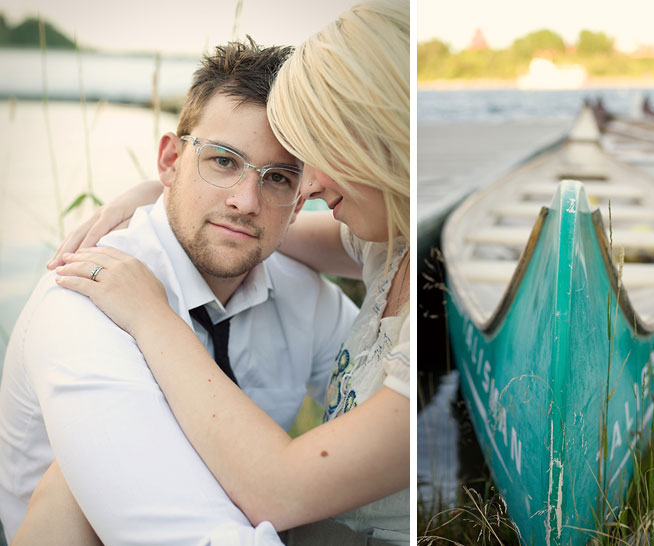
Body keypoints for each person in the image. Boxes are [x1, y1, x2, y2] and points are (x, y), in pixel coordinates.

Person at [18, 0, 411, 544]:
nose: (246, 201)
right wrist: (163, 194)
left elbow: (285, 486)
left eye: (279, 177)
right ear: (170, 160)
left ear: (298, 198)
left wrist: (157, 303)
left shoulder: (320, 284)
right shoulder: (89, 297)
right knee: (67, 488)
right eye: (222, 161)